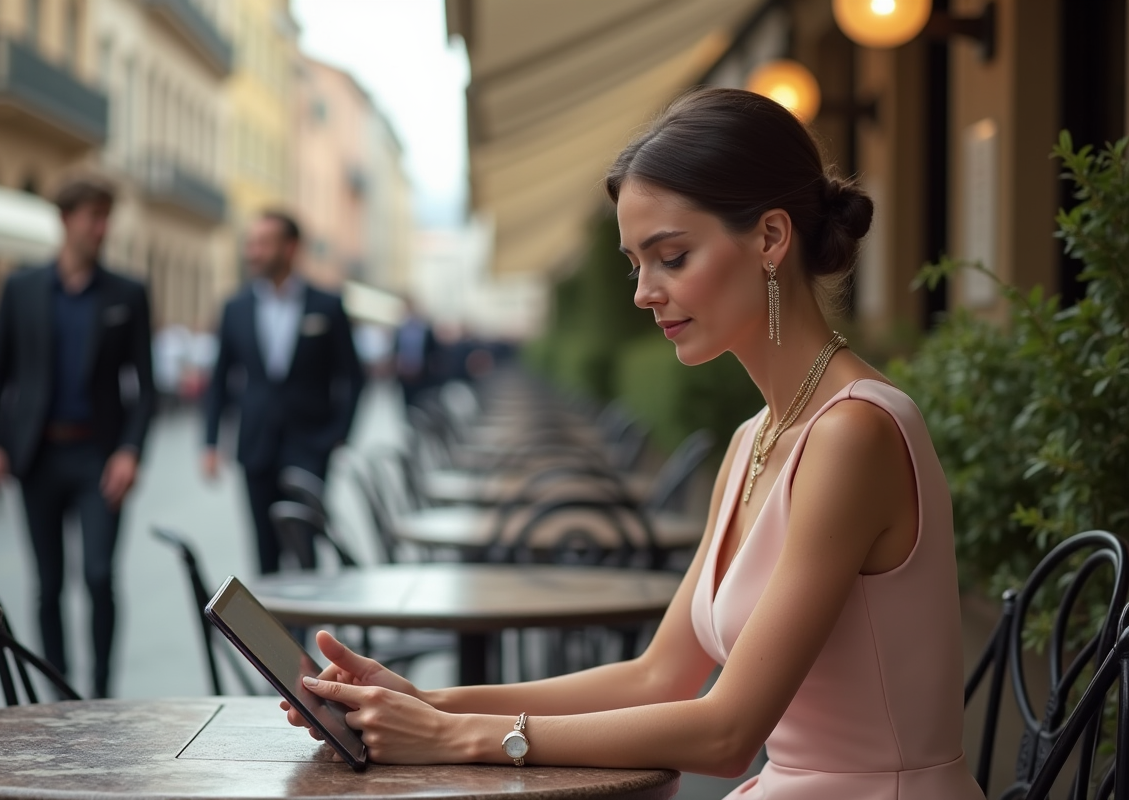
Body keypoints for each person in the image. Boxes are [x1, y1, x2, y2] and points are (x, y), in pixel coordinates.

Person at [281, 88, 985, 799]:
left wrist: (460, 738)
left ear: (771, 239)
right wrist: (426, 704)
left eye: (672, 257)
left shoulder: (853, 434)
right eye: (635, 265)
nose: (645, 292)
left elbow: (726, 734)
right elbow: (657, 676)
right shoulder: (755, 440)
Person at [0, 177, 155, 698]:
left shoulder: (128, 293)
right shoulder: (21, 288)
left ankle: (99, 693)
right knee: (47, 585)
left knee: (99, 576)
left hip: (100, 457)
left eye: (106, 218)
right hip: (38, 455)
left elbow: (147, 387)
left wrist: (130, 450)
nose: (102, 228)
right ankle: (59, 694)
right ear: (66, 220)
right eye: (92, 217)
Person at [203, 211, 364, 575]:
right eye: (250, 243)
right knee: (264, 554)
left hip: (310, 445)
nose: (253, 252)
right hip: (256, 445)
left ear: (290, 248)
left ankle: (304, 634)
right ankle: (268, 633)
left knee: (306, 549)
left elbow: (353, 377)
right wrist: (211, 442)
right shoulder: (235, 308)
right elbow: (220, 379)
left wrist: (338, 435)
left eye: (263, 243)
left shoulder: (327, 305)